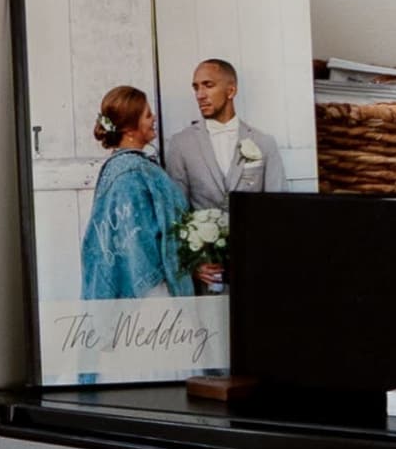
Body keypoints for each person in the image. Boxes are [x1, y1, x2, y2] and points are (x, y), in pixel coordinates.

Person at [78, 85, 192, 299]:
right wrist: (159, 292)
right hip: (150, 293)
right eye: (148, 115)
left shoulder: (129, 166)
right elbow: (137, 242)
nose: (154, 118)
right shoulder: (130, 172)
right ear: (130, 129)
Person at [162, 56, 280, 219]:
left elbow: (278, 208)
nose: (200, 95)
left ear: (231, 91)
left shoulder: (264, 143)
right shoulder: (181, 144)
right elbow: (176, 211)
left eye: (208, 85)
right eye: (196, 88)